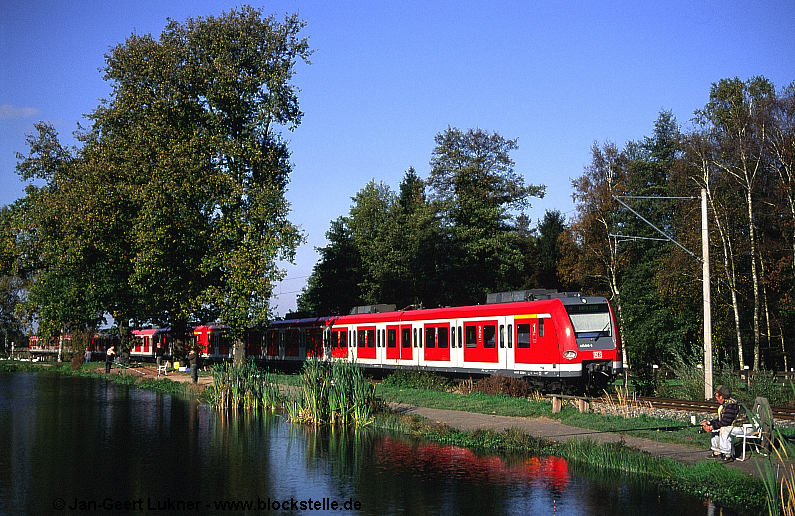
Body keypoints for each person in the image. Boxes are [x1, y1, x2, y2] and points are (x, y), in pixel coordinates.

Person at [701, 385, 746, 463]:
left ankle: (727, 455)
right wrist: (709, 423)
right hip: (736, 426)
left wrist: (711, 427)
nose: (716, 399)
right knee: (717, 427)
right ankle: (717, 452)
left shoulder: (731, 405)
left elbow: (725, 422)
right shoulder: (726, 404)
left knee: (724, 429)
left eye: (717, 397)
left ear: (721, 396)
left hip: (744, 427)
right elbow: (721, 420)